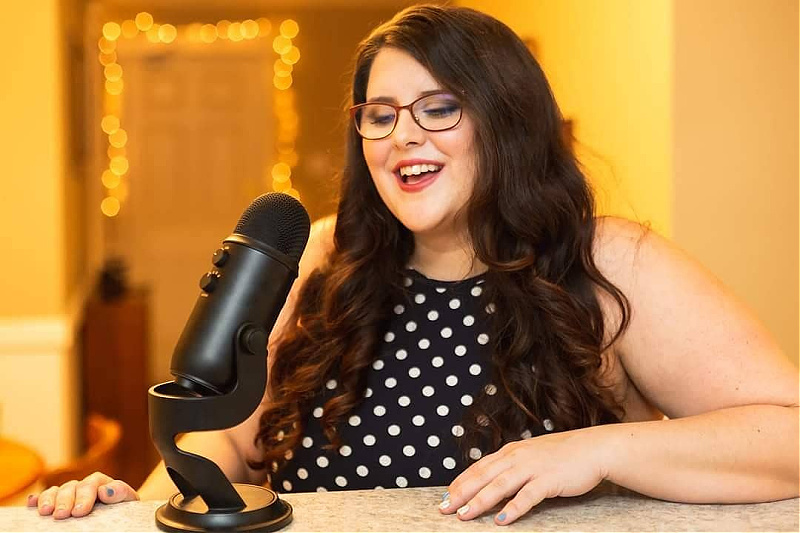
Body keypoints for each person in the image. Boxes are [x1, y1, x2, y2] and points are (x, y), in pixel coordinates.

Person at [30, 4, 798, 526]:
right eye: (381, 114)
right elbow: (228, 442)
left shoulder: (610, 262)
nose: (403, 135)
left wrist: (597, 448)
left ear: (507, 120)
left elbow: (787, 436)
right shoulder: (327, 253)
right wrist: (142, 503)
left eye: (439, 108)